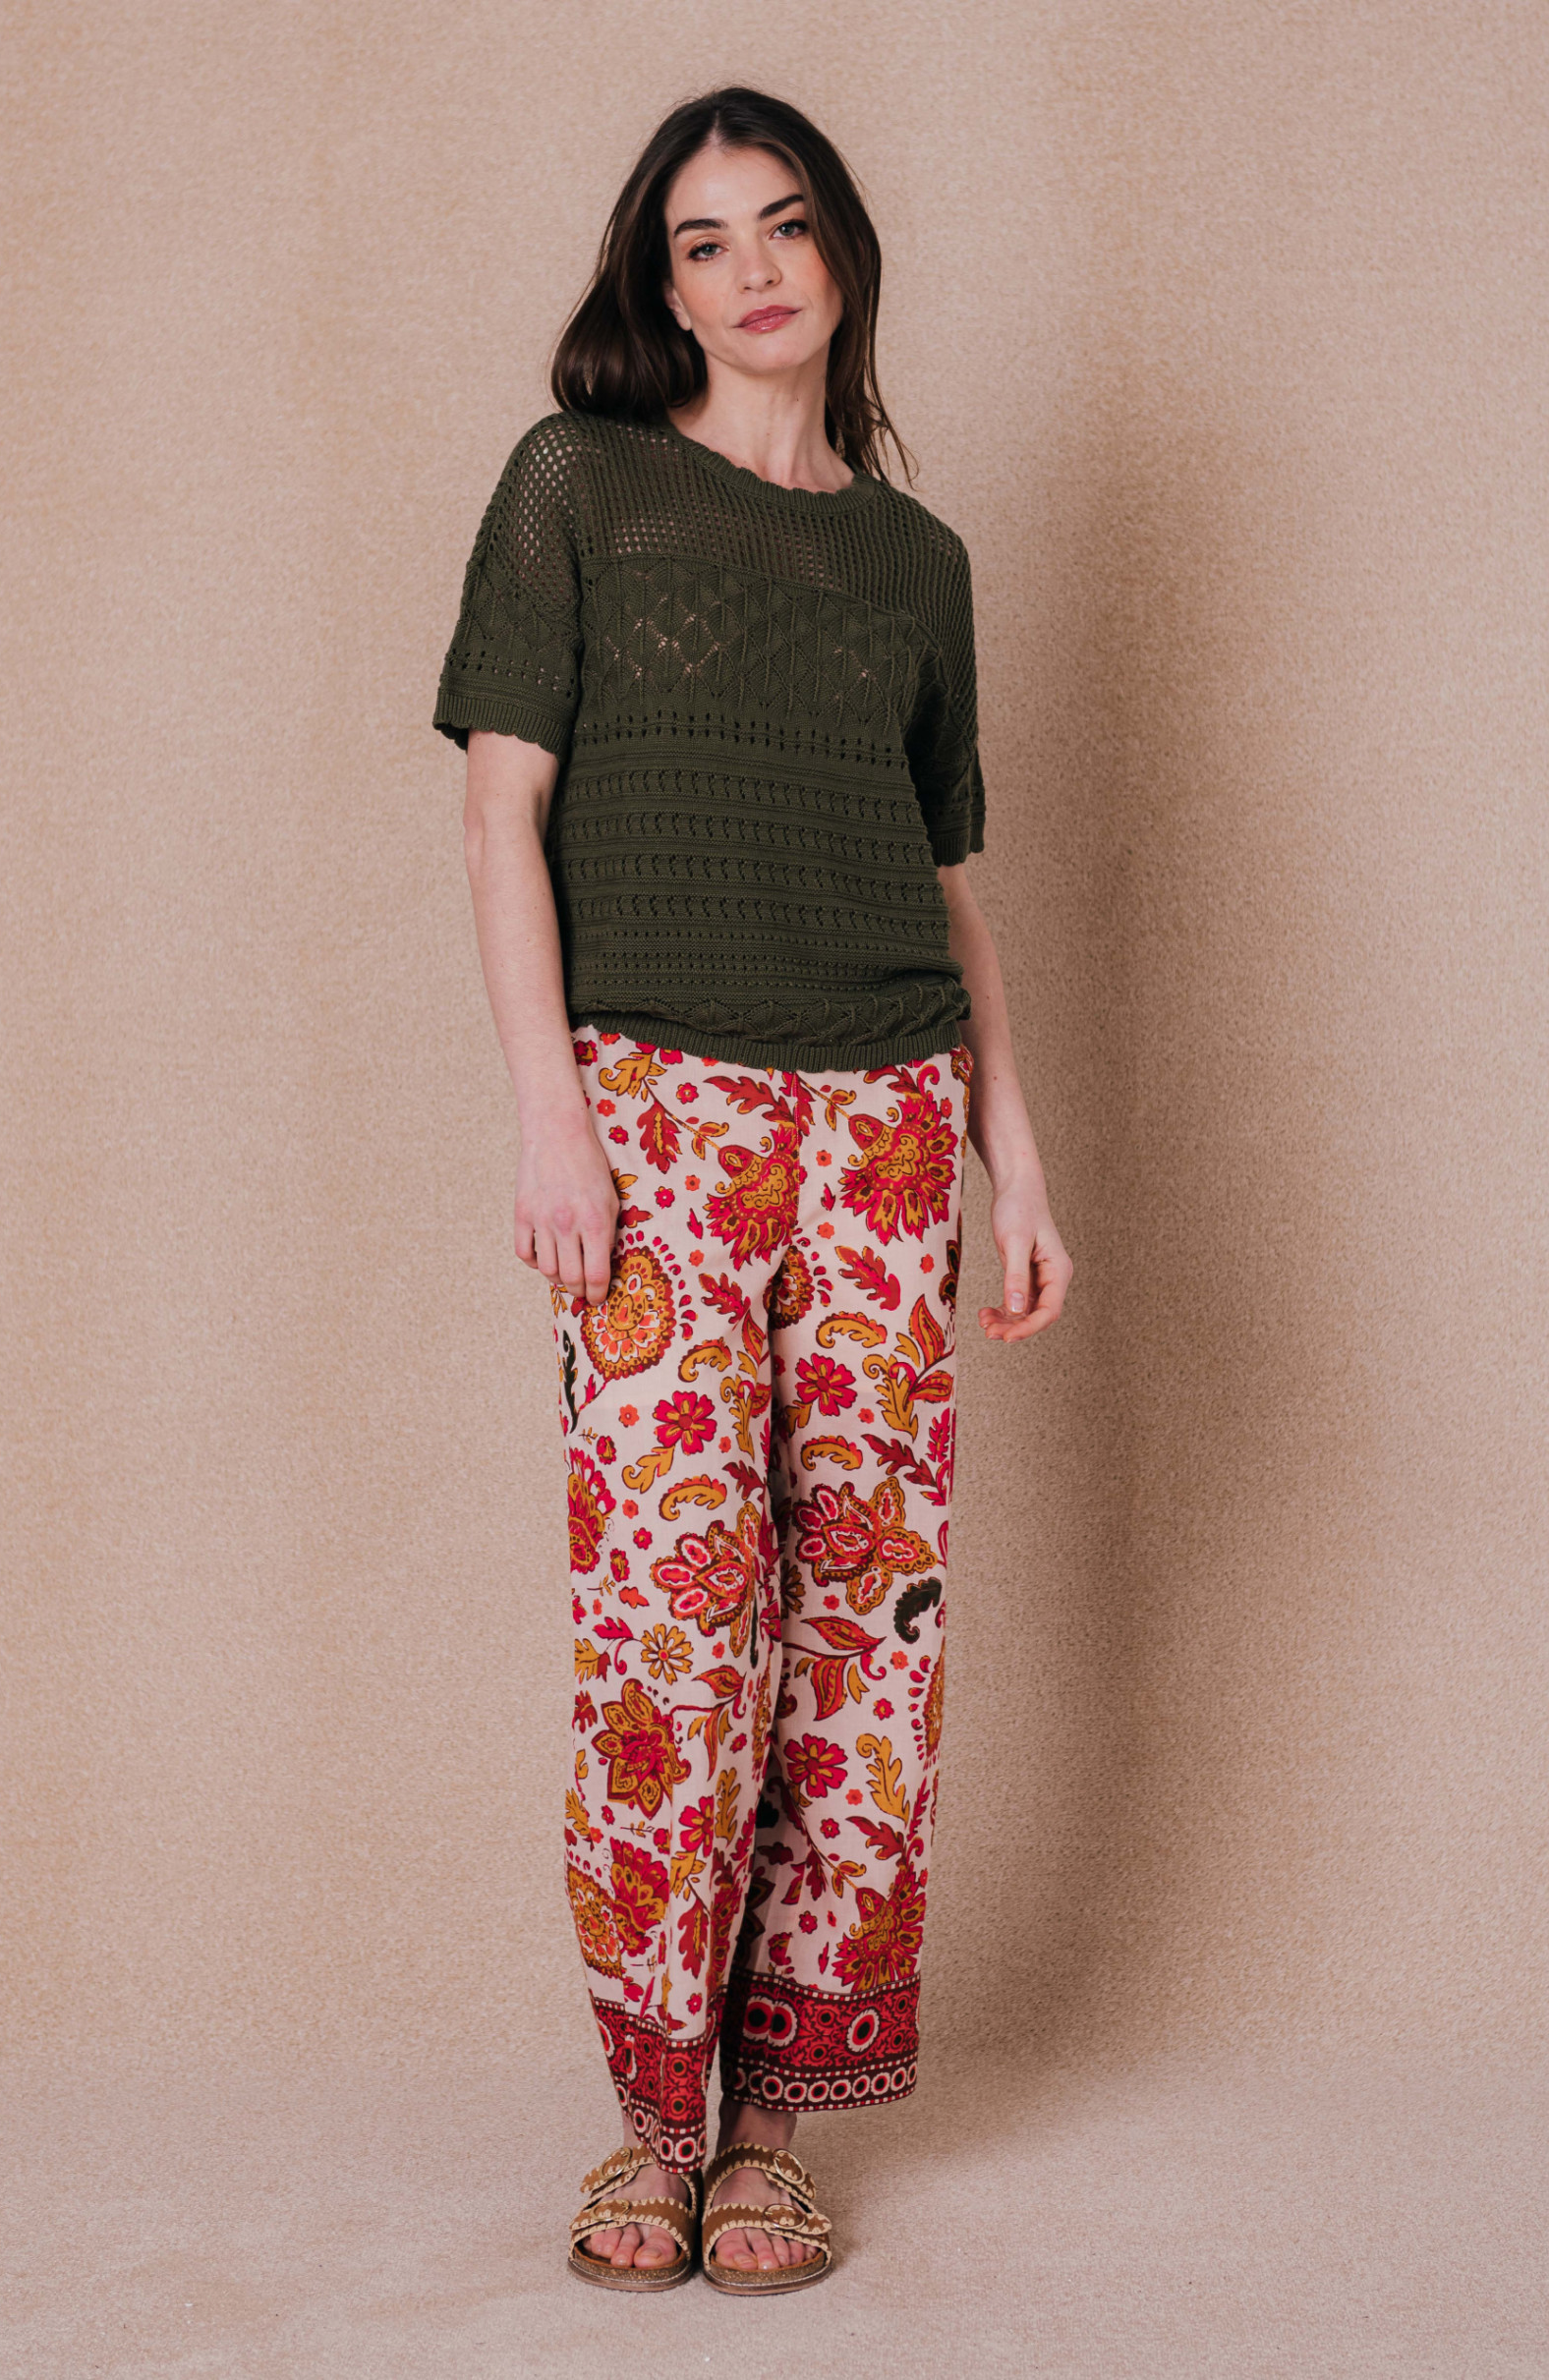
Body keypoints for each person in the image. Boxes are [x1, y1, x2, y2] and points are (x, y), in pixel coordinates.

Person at [433, 85, 1071, 2295]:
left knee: (862, 1631)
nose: (752, 271)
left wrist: (1015, 1155)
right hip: (661, 1108)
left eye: (784, 226)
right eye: (702, 242)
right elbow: (500, 812)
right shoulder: (578, 485)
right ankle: (651, 2115)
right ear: (662, 286)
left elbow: (948, 881)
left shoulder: (918, 564)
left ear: (841, 254)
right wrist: (553, 1111)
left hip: (888, 1119)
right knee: (669, 1625)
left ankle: (777, 2123)